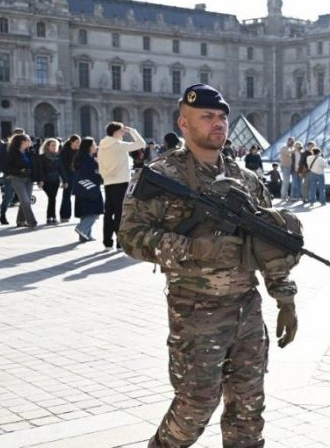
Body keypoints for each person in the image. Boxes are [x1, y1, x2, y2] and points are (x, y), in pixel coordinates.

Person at [120, 83, 298, 448]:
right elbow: (130, 237)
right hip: (195, 312)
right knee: (195, 407)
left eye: (222, 117)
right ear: (184, 124)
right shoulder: (161, 177)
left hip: (247, 310)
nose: (218, 124)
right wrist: (195, 248)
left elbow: (269, 244)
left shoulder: (245, 180)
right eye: (207, 117)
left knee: (248, 410)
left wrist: (285, 298)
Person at [97, 121, 146, 249]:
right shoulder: (118, 145)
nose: (123, 133)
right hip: (121, 182)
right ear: (115, 132)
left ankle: (107, 242)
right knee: (120, 213)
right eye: (121, 131)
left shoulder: (101, 146)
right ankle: (119, 242)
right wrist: (132, 131)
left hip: (108, 182)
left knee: (108, 213)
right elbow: (141, 144)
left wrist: (105, 176)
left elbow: (100, 165)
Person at [71, 137, 102, 243]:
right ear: (88, 147)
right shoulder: (88, 159)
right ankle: (82, 228)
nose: (95, 146)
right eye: (93, 145)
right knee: (95, 211)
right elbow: (92, 173)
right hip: (90, 188)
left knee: (85, 212)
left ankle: (85, 236)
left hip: (82, 188)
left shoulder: (82, 157)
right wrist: (98, 166)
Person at [3, 134, 38, 228]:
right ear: (22, 142)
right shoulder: (12, 153)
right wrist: (19, 171)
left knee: (25, 201)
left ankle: (20, 221)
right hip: (18, 179)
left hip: (29, 179)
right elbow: (7, 167)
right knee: (25, 200)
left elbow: (35, 165)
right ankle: (32, 221)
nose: (30, 141)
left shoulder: (30, 152)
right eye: (28, 140)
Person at [35, 138, 62, 225]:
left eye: (56, 145)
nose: (55, 147)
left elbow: (61, 169)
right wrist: (40, 180)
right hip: (46, 181)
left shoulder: (58, 157)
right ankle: (52, 217)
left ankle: (50, 217)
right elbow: (40, 170)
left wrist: (65, 180)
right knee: (52, 198)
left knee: (52, 198)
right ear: (47, 146)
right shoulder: (41, 157)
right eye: (52, 145)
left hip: (55, 181)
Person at [59, 135, 80, 223]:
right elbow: (62, 167)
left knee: (80, 195)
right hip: (68, 176)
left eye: (79, 142)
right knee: (66, 196)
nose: (79, 144)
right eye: (77, 142)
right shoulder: (64, 151)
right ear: (72, 142)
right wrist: (64, 180)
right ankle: (64, 215)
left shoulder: (79, 151)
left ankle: (81, 214)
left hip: (77, 176)